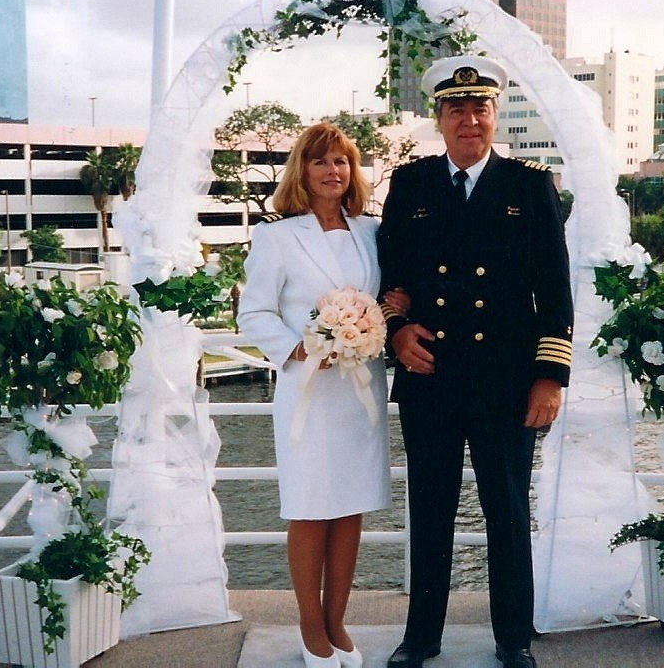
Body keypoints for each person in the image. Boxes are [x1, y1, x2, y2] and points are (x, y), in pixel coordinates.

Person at [376, 56, 574, 668]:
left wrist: (550, 376)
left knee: (507, 511)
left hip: (506, 381)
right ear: (439, 118)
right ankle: (422, 638)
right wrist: (395, 333)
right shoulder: (410, 185)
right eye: (456, 109)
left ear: (495, 116)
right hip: (429, 375)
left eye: (480, 107)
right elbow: (388, 278)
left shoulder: (528, 186)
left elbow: (556, 290)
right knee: (429, 510)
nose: (470, 119)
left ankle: (513, 638)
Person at [237, 123, 407, 668]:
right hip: (309, 393)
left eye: (342, 162)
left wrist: (387, 309)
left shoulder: (370, 231)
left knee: (351, 507)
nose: (333, 171)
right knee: (311, 509)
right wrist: (301, 350)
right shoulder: (276, 236)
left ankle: (338, 619)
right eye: (321, 162)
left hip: (359, 392)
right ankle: (310, 628)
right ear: (301, 172)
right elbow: (254, 312)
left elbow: (374, 298)